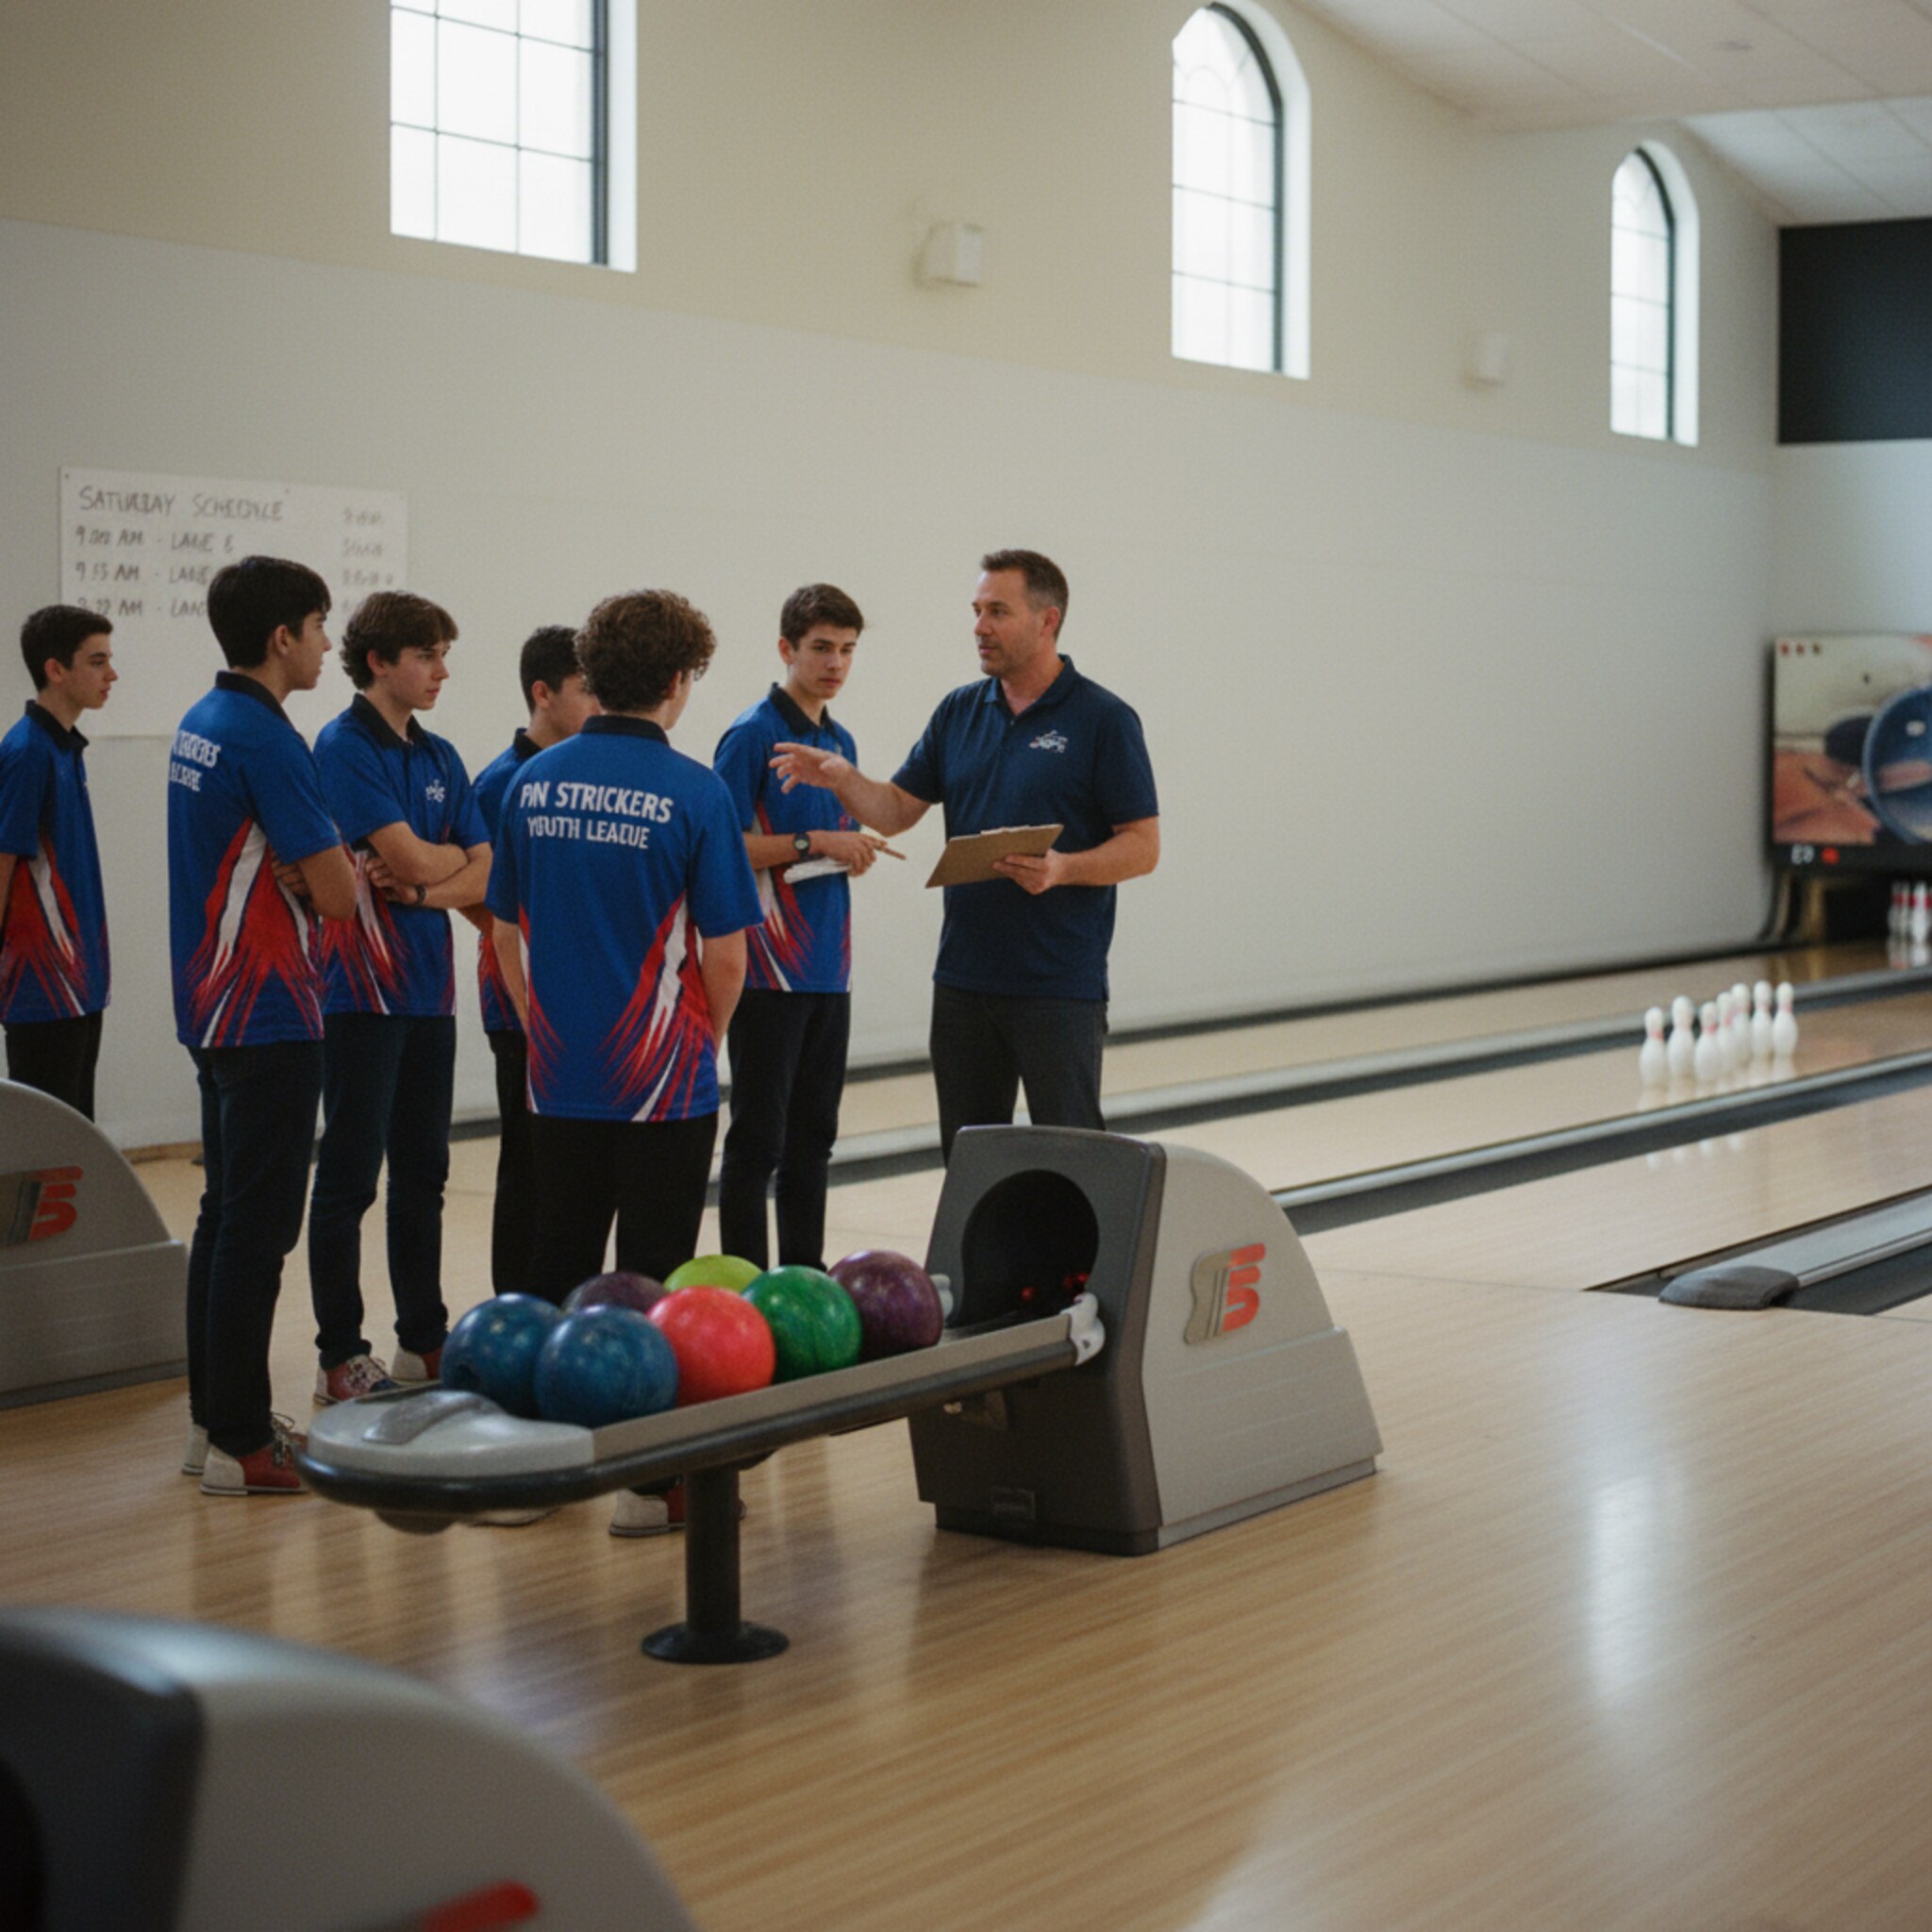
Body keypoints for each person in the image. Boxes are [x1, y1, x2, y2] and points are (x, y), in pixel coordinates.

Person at [488, 590, 760, 1538]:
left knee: (554, 1260)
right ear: (680, 683)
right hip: (663, 1081)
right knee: (649, 1279)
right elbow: (725, 954)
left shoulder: (533, 781)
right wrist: (702, 1041)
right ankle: (646, 1487)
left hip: (557, 1076)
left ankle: (530, 1469)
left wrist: (538, 1022)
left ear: (591, 676)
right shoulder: (696, 791)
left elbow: (502, 927)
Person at [773, 549, 1158, 1159]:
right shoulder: (959, 711)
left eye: (997, 611)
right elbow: (899, 809)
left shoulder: (1102, 719)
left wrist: (1063, 868)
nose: (979, 625)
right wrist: (844, 778)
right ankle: (980, 1262)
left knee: (1075, 1160)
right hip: (963, 982)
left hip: (1057, 985)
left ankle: (1077, 1262)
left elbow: (1143, 846)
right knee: (970, 1160)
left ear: (1046, 621)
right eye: (977, 610)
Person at [169, 555, 357, 1496]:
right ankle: (245, 1441)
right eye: (322, 628)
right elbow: (340, 892)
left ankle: (213, 1420)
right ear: (283, 637)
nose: (328, 645)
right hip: (272, 1009)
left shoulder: (202, 721)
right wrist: (333, 876)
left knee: (223, 1217)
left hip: (210, 1004)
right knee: (256, 1229)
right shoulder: (269, 739)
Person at [307, 591, 491, 1406]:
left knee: (424, 1172)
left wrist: (426, 886)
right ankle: (339, 1353)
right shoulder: (343, 746)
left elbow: (484, 871)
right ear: (380, 660)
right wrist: (438, 868)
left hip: (427, 991)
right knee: (349, 1177)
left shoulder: (443, 755)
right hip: (358, 993)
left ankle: (423, 1341)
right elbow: (419, 858)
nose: (441, 671)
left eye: (443, 654)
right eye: (426, 655)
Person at [712, 584, 886, 1270]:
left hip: (827, 968)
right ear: (787, 649)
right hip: (764, 969)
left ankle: (805, 1281)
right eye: (821, 648)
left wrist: (852, 849)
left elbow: (830, 844)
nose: (836, 663)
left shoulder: (838, 740)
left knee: (815, 1139)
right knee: (758, 1142)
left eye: (847, 650)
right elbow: (720, 850)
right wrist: (817, 844)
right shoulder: (752, 733)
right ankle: (750, 1290)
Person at [470, 624, 599, 1296]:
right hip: (521, 1010)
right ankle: (514, 1312)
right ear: (542, 694)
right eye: (585, 690)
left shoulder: (582, 775)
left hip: (577, 1011)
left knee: (572, 1175)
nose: (599, 703)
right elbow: (482, 899)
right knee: (527, 1170)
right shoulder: (501, 783)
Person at [0, 607, 116, 1118]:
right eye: (97, 661)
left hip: (81, 983)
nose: (111, 674)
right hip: (41, 988)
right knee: (48, 1149)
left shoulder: (64, 746)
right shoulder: (27, 752)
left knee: (78, 1139)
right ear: (55, 669)